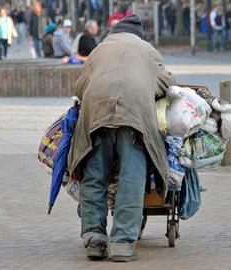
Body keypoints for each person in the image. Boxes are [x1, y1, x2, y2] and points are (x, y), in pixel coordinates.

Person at [67, 15, 175, 262]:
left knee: (94, 174)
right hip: (134, 117)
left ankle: (94, 237)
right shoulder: (148, 51)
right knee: (131, 177)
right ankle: (123, 244)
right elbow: (167, 84)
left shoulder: (98, 50)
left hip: (97, 115)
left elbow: (80, 88)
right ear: (139, 34)